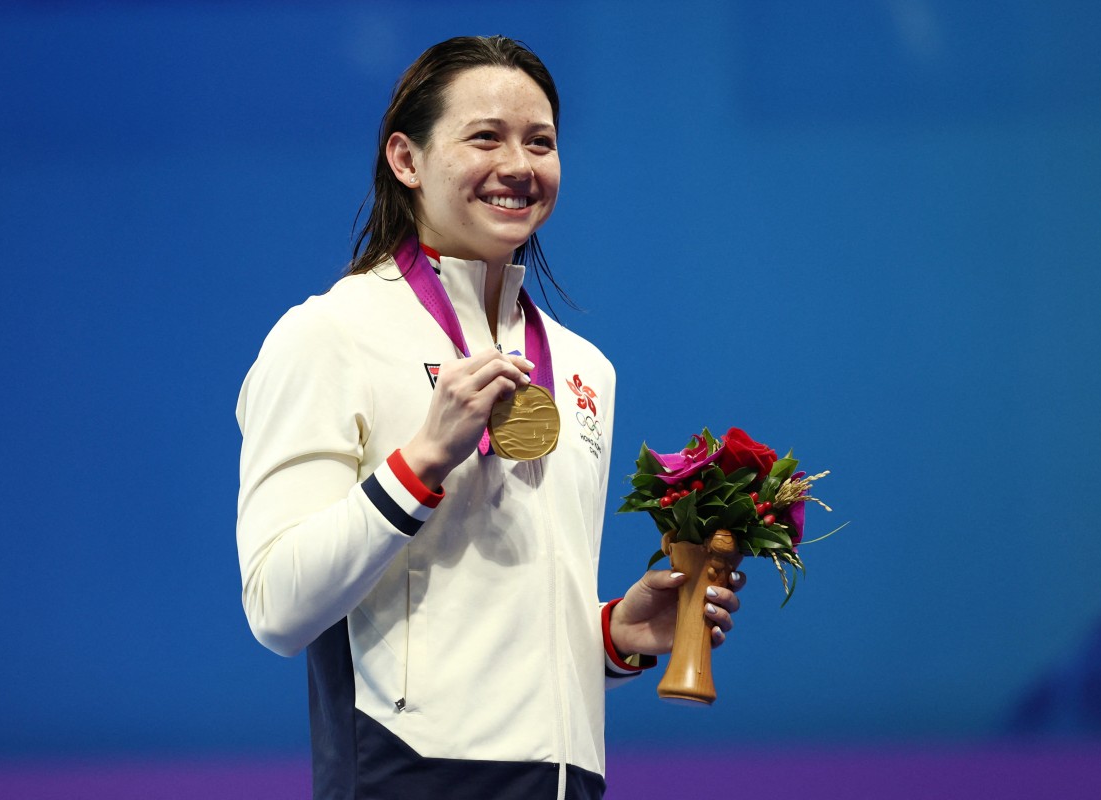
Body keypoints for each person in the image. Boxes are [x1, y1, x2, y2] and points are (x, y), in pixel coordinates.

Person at [236, 35, 743, 800]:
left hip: (567, 780)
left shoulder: (582, 369)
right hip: (404, 777)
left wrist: (611, 637)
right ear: (405, 160)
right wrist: (421, 465)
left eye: (540, 142)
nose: (519, 165)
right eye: (485, 137)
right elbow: (277, 606)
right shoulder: (327, 337)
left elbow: (487, 617)